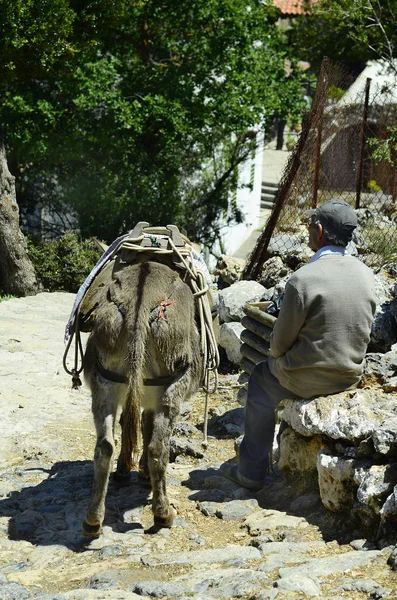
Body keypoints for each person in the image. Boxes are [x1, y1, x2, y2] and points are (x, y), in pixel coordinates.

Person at [221, 199, 377, 490]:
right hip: (349, 376)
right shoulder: (366, 275)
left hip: (305, 378)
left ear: (319, 230)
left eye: (309, 224)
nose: (307, 230)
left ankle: (251, 473)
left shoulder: (303, 279)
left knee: (261, 381)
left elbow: (278, 347)